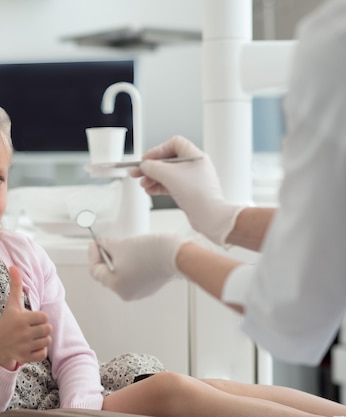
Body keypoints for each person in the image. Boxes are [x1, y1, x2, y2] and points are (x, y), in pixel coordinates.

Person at [0, 96, 346, 417]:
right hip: (23, 413)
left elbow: (74, 353)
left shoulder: (18, 250)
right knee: (173, 390)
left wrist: (83, 408)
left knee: (210, 387)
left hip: (73, 402)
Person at [88, 0, 346, 367]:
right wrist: (223, 218)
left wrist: (173, 256)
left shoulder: (332, 44)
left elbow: (293, 307)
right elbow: (334, 236)